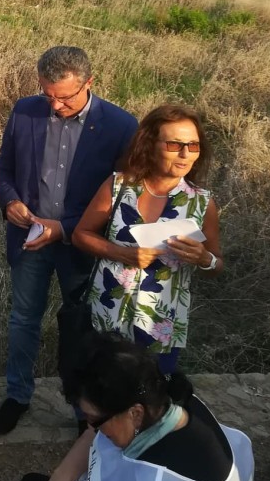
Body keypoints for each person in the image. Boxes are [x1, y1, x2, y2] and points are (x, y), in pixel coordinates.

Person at [0, 46, 137, 435]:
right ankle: (18, 395)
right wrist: (10, 201)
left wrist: (64, 229)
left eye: (65, 97)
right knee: (23, 319)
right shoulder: (25, 111)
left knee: (84, 327)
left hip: (84, 247)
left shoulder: (121, 126)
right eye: (48, 95)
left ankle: (84, 411)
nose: (55, 106)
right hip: (29, 238)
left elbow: (121, 198)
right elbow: (4, 167)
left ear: (89, 82)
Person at [15, 332, 253, 481]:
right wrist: (62, 476)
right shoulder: (172, 404)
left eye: (94, 419)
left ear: (135, 413)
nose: (90, 427)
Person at [73, 104, 222, 374]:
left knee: (151, 388)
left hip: (161, 321)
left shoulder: (202, 203)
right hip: (108, 311)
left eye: (193, 146)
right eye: (175, 145)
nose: (185, 154)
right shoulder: (119, 186)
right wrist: (123, 254)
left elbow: (217, 265)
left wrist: (204, 259)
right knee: (101, 384)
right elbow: (81, 235)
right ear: (150, 144)